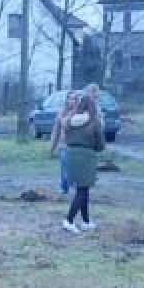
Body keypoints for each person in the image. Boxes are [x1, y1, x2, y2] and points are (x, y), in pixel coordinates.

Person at [61, 92, 104, 234]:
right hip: (87, 157)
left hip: (72, 155)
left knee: (83, 189)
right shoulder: (94, 122)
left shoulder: (70, 120)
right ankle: (69, 220)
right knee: (82, 191)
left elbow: (66, 138)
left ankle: (85, 221)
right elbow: (100, 145)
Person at [48, 91, 80, 195]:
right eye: (71, 98)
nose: (73, 101)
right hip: (64, 145)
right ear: (67, 100)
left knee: (75, 169)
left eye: (75, 99)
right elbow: (56, 131)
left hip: (77, 146)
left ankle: (78, 189)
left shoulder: (81, 113)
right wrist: (52, 147)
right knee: (64, 169)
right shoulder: (61, 113)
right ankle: (64, 188)